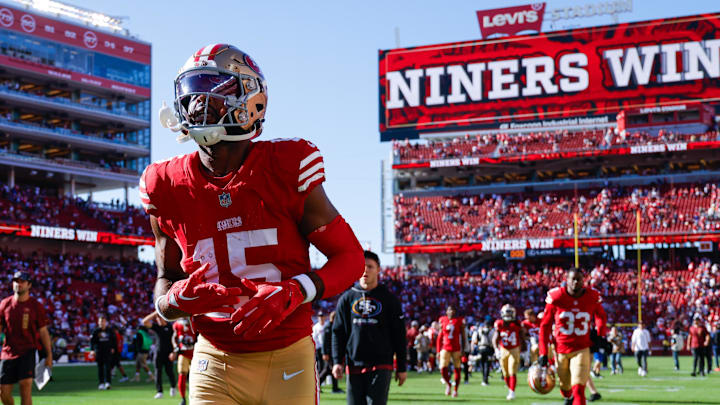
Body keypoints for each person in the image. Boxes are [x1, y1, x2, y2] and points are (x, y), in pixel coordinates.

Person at [144, 44, 364, 404]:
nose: (199, 101)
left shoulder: (286, 165)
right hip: (213, 358)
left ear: (252, 102)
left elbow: (351, 258)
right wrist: (171, 303)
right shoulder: (164, 184)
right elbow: (164, 284)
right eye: (192, 89)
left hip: (287, 355)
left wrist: (295, 290)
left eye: (214, 89)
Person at [332, 250, 407, 405]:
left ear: (378, 269)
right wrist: (337, 361)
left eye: (370, 266)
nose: (365, 270)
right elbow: (338, 332)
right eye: (362, 266)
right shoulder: (346, 299)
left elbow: (399, 335)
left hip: (381, 363)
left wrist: (401, 366)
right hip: (354, 364)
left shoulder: (389, 299)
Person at [539, 267, 607, 405]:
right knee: (566, 389)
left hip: (581, 348)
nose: (576, 282)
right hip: (560, 350)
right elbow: (545, 326)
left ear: (584, 281)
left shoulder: (592, 296)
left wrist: (600, 336)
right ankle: (568, 398)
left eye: (579, 279)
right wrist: (543, 352)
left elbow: (601, 316)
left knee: (579, 389)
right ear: (566, 280)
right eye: (573, 279)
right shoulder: (557, 297)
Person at [0, 271, 52, 405]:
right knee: (3, 393)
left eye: (22, 281)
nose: (18, 284)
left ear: (29, 285)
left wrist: (49, 355)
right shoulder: (4, 304)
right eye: (16, 281)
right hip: (8, 353)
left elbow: (43, 332)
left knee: (25, 387)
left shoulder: (36, 306)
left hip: (28, 352)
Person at [142, 312, 176, 399]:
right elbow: (144, 322)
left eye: (159, 318)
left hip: (169, 353)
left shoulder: (170, 327)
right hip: (158, 353)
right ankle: (159, 391)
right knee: (158, 372)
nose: (158, 320)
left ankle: (173, 387)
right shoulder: (157, 327)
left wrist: (174, 352)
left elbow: (175, 341)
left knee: (169, 372)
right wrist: (156, 312)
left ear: (164, 318)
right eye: (157, 318)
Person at [494, 304, 524, 400]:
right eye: (506, 313)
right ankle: (510, 389)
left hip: (514, 349)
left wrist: (524, 350)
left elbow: (522, 337)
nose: (508, 315)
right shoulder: (499, 323)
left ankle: (512, 391)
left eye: (509, 313)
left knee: (512, 370)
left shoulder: (517, 323)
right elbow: (495, 338)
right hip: (503, 349)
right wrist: (496, 349)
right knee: (505, 373)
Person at [436, 305, 466, 398]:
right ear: (446, 312)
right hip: (445, 347)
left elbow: (463, 336)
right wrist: (438, 350)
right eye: (449, 310)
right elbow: (440, 336)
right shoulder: (442, 320)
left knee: (457, 369)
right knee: (442, 368)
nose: (451, 312)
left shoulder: (460, 321)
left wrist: (464, 349)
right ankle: (448, 384)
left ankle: (456, 389)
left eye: (453, 310)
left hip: (456, 348)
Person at [171, 318, 196, 405]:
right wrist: (175, 347)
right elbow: (174, 337)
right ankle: (183, 399)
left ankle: (195, 397)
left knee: (195, 377)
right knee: (182, 375)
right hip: (183, 353)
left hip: (195, 353)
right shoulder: (177, 324)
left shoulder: (194, 321)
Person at [90, 315, 117, 390]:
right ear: (98, 322)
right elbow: (92, 342)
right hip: (99, 351)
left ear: (106, 322)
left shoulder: (110, 330)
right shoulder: (96, 331)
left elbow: (114, 340)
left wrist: (113, 348)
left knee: (108, 367)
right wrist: (92, 350)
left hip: (107, 351)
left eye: (103, 321)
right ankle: (101, 383)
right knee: (100, 368)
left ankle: (108, 383)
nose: (102, 323)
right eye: (101, 321)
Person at [319, 311, 343, 394]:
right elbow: (325, 342)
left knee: (330, 369)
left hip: (331, 352)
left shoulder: (332, 326)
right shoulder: (328, 327)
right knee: (327, 370)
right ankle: (317, 385)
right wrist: (324, 353)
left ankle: (335, 388)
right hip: (328, 353)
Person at [473, 320, 494, 386]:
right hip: (488, 348)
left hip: (481, 348)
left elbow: (475, 341)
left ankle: (483, 379)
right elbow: (492, 341)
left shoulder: (479, 331)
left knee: (482, 364)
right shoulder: (492, 331)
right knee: (487, 365)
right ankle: (485, 380)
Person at [312, 312, 327, 387]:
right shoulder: (316, 327)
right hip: (319, 348)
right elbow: (314, 338)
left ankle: (321, 382)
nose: (321, 318)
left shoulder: (326, 325)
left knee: (327, 366)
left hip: (327, 348)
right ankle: (319, 382)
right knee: (320, 366)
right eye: (319, 316)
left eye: (322, 316)